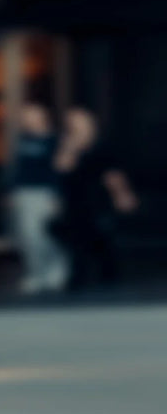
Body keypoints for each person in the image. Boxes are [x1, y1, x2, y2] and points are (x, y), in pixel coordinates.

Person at [54, 106, 138, 291]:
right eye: (72, 123)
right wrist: (70, 146)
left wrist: (122, 195)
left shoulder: (101, 145)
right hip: (74, 199)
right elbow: (62, 168)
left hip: (97, 199)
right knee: (76, 238)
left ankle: (109, 275)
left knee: (101, 237)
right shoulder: (67, 145)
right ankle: (78, 277)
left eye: (79, 122)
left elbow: (113, 175)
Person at [7, 101, 68, 294]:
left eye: (31, 115)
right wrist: (12, 191)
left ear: (42, 117)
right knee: (27, 235)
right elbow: (17, 169)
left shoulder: (54, 141)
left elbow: (57, 171)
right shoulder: (22, 140)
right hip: (24, 193)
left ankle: (56, 269)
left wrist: (57, 195)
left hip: (45, 193)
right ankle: (35, 273)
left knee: (45, 234)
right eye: (25, 116)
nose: (27, 120)